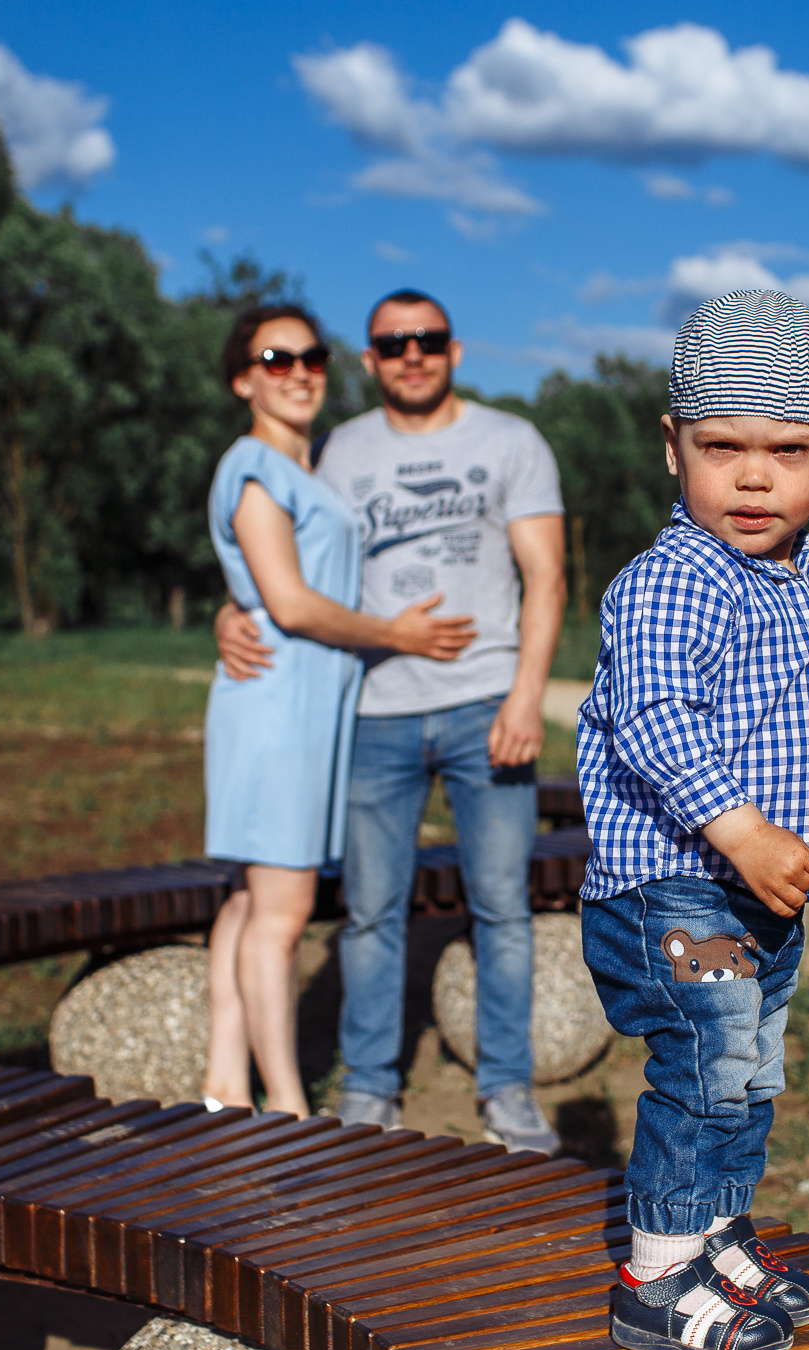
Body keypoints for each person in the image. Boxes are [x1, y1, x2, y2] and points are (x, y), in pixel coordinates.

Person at [575, 290, 809, 1350]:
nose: (752, 474)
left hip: (746, 889)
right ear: (672, 445)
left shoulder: (789, 581)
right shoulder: (672, 581)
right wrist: (737, 828)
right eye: (720, 445)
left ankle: (711, 1232)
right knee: (707, 1061)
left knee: (748, 1067)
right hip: (678, 887)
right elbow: (657, 718)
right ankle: (653, 1277)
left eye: (786, 447)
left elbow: (773, 712)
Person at [216, 288, 567, 1151]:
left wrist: (527, 695)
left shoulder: (510, 441)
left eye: (429, 339)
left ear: (453, 350)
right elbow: (272, 560)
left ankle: (507, 1092)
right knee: (370, 911)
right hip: (371, 712)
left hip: (486, 704)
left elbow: (548, 577)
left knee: (502, 908)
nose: (413, 354)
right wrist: (229, 614)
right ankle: (371, 1088)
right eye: (392, 343)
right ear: (370, 361)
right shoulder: (331, 451)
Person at [200, 303, 475, 1117]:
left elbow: (253, 585)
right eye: (276, 359)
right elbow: (286, 602)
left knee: (250, 902)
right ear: (243, 378)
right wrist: (397, 634)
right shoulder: (252, 465)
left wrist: (230, 609)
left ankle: (222, 1081)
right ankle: (285, 1103)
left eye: (310, 357)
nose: (298, 373)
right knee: (282, 916)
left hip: (301, 711)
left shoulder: (304, 468)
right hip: (276, 715)